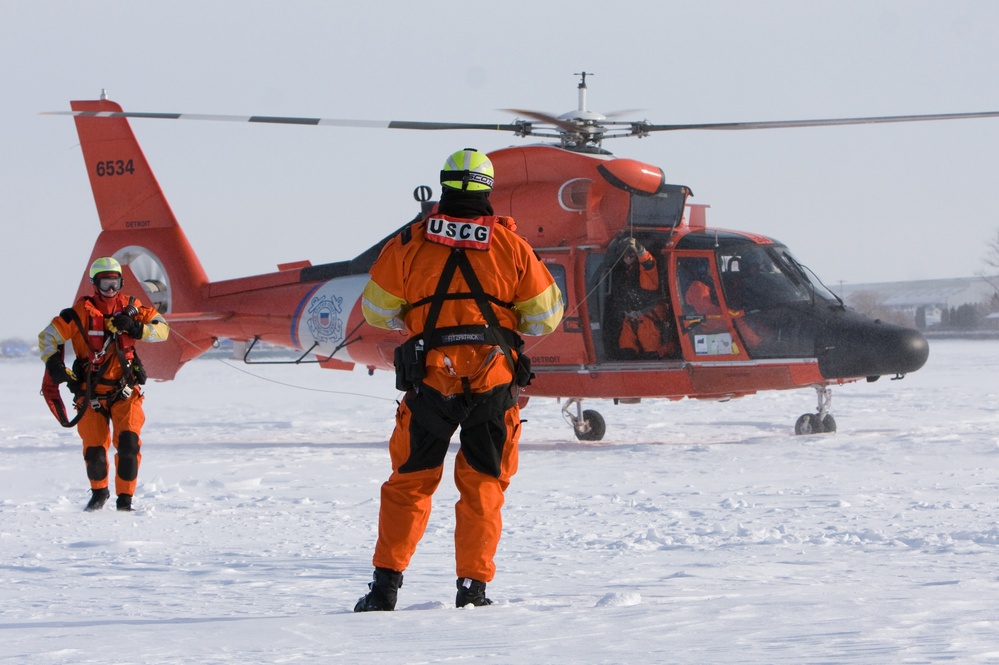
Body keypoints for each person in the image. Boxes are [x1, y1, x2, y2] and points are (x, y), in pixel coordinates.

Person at [356, 148, 564, 611]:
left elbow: (376, 309)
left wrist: (422, 317)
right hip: (494, 382)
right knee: (484, 486)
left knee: (409, 483)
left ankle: (385, 588)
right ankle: (473, 590)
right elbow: (546, 316)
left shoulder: (409, 243)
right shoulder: (512, 247)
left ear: (446, 184)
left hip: (430, 382)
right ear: (488, 189)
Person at [38, 257, 170, 512]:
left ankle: (125, 501)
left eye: (115, 283)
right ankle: (99, 494)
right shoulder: (77, 314)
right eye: (105, 283)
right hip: (90, 395)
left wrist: (135, 328)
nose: (110, 289)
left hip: (126, 391)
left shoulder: (132, 307)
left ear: (121, 282)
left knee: (130, 444)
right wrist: (54, 363)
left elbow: (162, 330)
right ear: (94, 284)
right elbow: (48, 337)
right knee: (95, 451)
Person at [611, 237, 675, 359]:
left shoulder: (646, 273)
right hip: (630, 321)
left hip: (649, 321)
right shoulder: (624, 273)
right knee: (625, 352)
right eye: (625, 255)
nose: (627, 258)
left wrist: (640, 250)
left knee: (653, 354)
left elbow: (648, 263)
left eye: (631, 254)